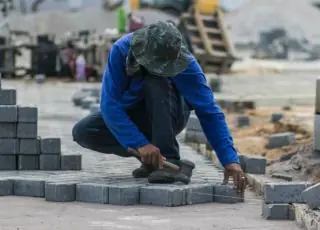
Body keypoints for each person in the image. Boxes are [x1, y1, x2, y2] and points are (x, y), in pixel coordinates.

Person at [72, 21, 245, 193]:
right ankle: (153, 160)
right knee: (84, 131)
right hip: (135, 114)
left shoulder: (186, 63)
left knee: (156, 81)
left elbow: (209, 112)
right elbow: (110, 106)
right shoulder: (121, 51)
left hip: (171, 115)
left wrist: (230, 160)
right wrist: (140, 143)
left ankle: (169, 159)